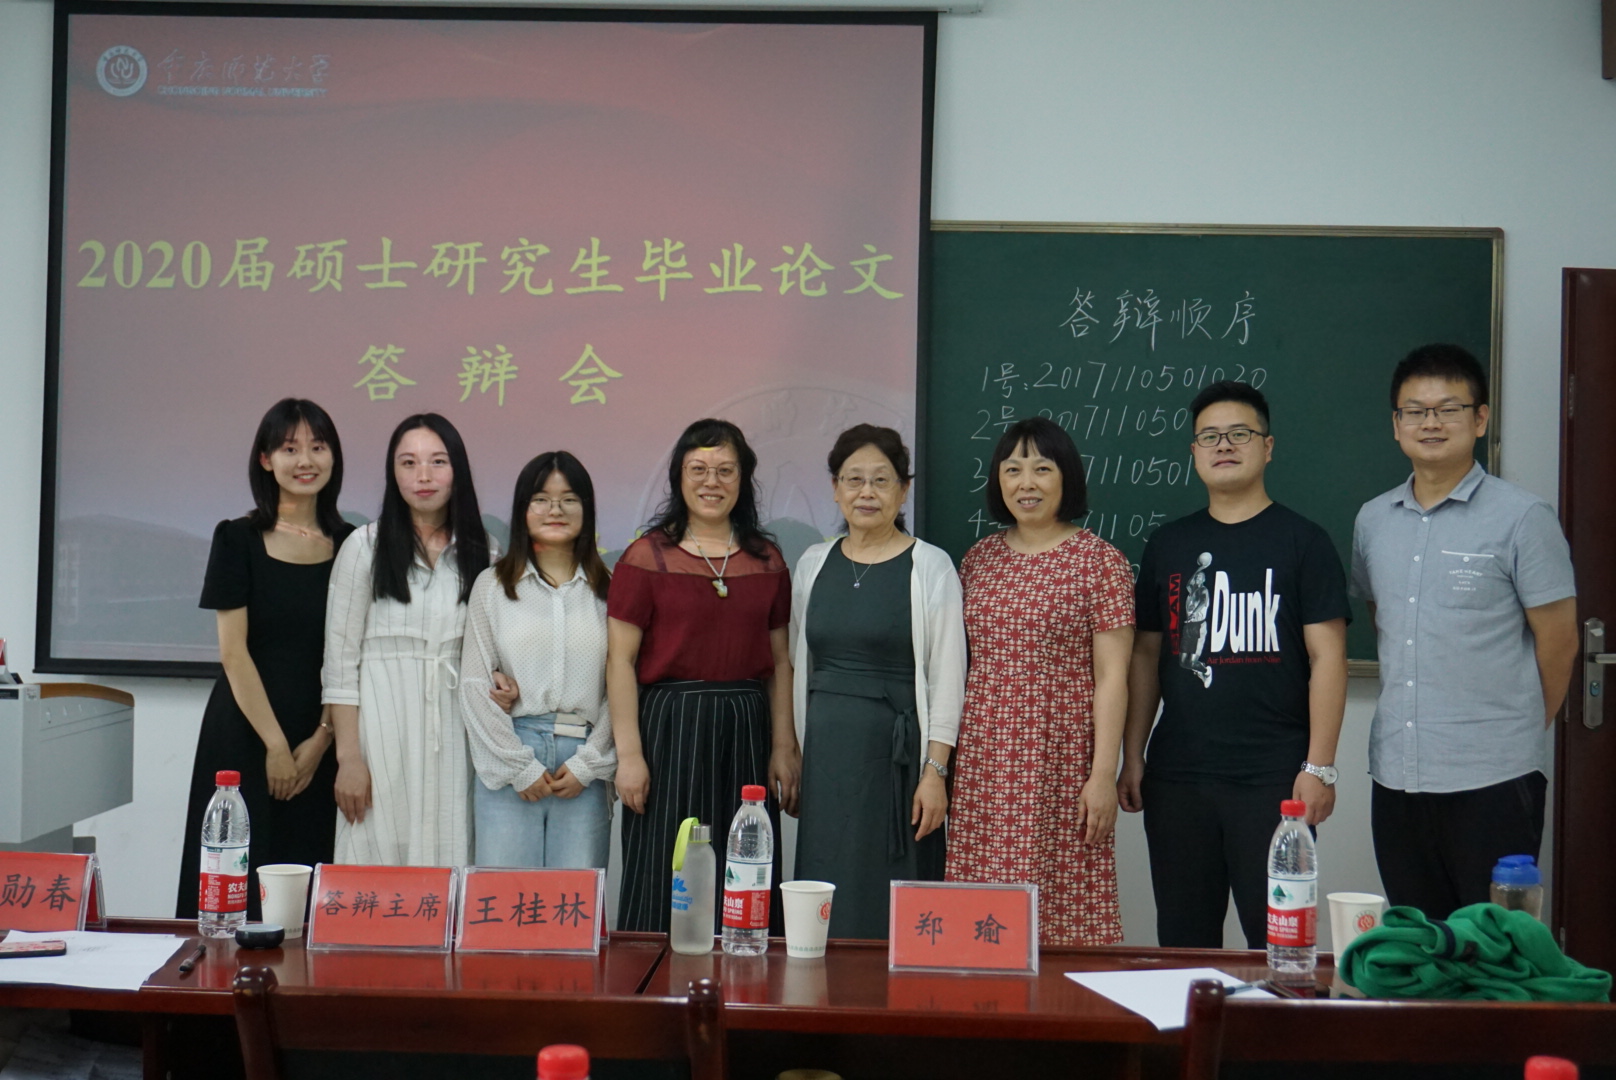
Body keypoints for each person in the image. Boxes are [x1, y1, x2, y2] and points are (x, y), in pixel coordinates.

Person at [1119, 380, 1349, 949]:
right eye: (1210, 436)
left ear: (1267, 447)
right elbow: (1146, 655)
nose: (1224, 445)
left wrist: (1320, 768)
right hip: (1178, 779)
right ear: (1193, 452)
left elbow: (1328, 657)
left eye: (1239, 434)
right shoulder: (1168, 544)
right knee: (1183, 944)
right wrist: (1133, 754)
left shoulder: (1304, 541)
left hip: (1274, 780)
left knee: (1279, 947)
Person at [1351, 344, 1577, 918]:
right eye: (1415, 411)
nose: (1431, 423)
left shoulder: (1523, 517)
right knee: (1419, 941)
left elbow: (1560, 642)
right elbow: (1384, 618)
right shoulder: (1373, 520)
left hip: (1495, 777)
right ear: (1396, 424)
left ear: (1479, 419)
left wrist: (1514, 728)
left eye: (1448, 409)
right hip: (1397, 775)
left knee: (1492, 945)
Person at [945, 416, 1133, 946]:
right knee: (982, 913)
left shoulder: (1101, 562)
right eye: (1013, 470)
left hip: (1061, 761)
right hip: (984, 764)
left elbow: (1113, 678)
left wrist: (1103, 774)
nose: (1026, 483)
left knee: (1061, 912)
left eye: (1042, 469)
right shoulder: (977, 560)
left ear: (1066, 477)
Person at [608, 419, 799, 933]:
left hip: (747, 727)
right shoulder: (646, 557)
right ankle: (655, 978)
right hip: (670, 728)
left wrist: (785, 746)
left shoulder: (766, 560)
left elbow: (780, 661)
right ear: (679, 476)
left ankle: (746, 975)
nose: (711, 482)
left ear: (743, 479)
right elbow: (620, 661)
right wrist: (629, 755)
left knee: (746, 869)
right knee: (664, 865)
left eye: (725, 470)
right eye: (698, 469)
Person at [177, 399, 353, 920]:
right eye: (290, 448)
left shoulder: (352, 545)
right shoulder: (237, 538)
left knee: (311, 882)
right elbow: (233, 654)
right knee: (233, 886)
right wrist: (276, 746)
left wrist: (320, 740)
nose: (306, 461)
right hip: (245, 733)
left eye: (318, 447)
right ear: (265, 459)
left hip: (321, 735)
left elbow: (352, 654)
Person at [790, 425, 965, 939]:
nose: (866, 492)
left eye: (881, 480)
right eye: (854, 479)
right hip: (826, 760)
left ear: (903, 490)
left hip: (899, 766)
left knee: (893, 897)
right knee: (825, 886)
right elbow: (797, 663)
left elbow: (948, 676)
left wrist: (935, 772)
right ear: (835, 488)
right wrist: (794, 751)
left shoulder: (930, 566)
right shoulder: (812, 563)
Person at [323, 413, 492, 867]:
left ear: (458, 470)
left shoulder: (486, 552)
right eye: (408, 462)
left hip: (458, 737)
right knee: (376, 858)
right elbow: (339, 664)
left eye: (438, 461)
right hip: (380, 738)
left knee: (454, 852)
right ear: (392, 472)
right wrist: (349, 759)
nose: (423, 476)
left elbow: (493, 655)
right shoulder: (364, 547)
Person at [459, 452, 615, 869]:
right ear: (522, 510)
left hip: (583, 762)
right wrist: (518, 767)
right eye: (541, 499)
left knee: (575, 900)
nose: (555, 510)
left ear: (587, 509)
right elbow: (473, 685)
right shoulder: (492, 586)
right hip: (511, 753)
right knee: (503, 897)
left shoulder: (611, 590)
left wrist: (588, 764)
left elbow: (622, 688)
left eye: (569, 499)